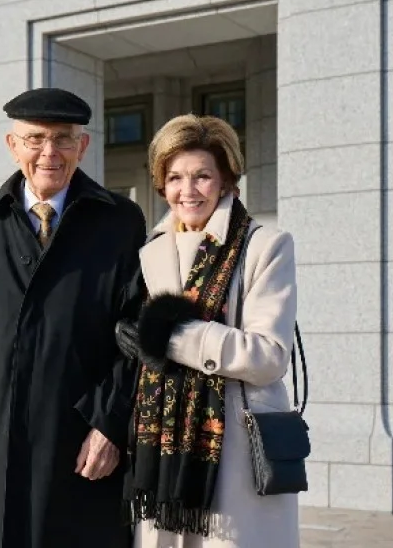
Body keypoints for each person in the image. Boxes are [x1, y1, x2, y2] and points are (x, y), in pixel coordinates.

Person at [0, 87, 147, 548]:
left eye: (64, 138)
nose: (50, 152)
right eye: (35, 139)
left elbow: (137, 337)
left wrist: (110, 424)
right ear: (12, 145)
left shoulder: (121, 221)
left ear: (82, 146)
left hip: (84, 450)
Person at [115, 114, 299, 548]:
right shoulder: (150, 251)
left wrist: (170, 337)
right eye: (175, 177)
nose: (188, 190)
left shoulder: (263, 246)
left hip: (232, 447)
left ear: (226, 180)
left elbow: (269, 356)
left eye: (202, 176)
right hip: (162, 448)